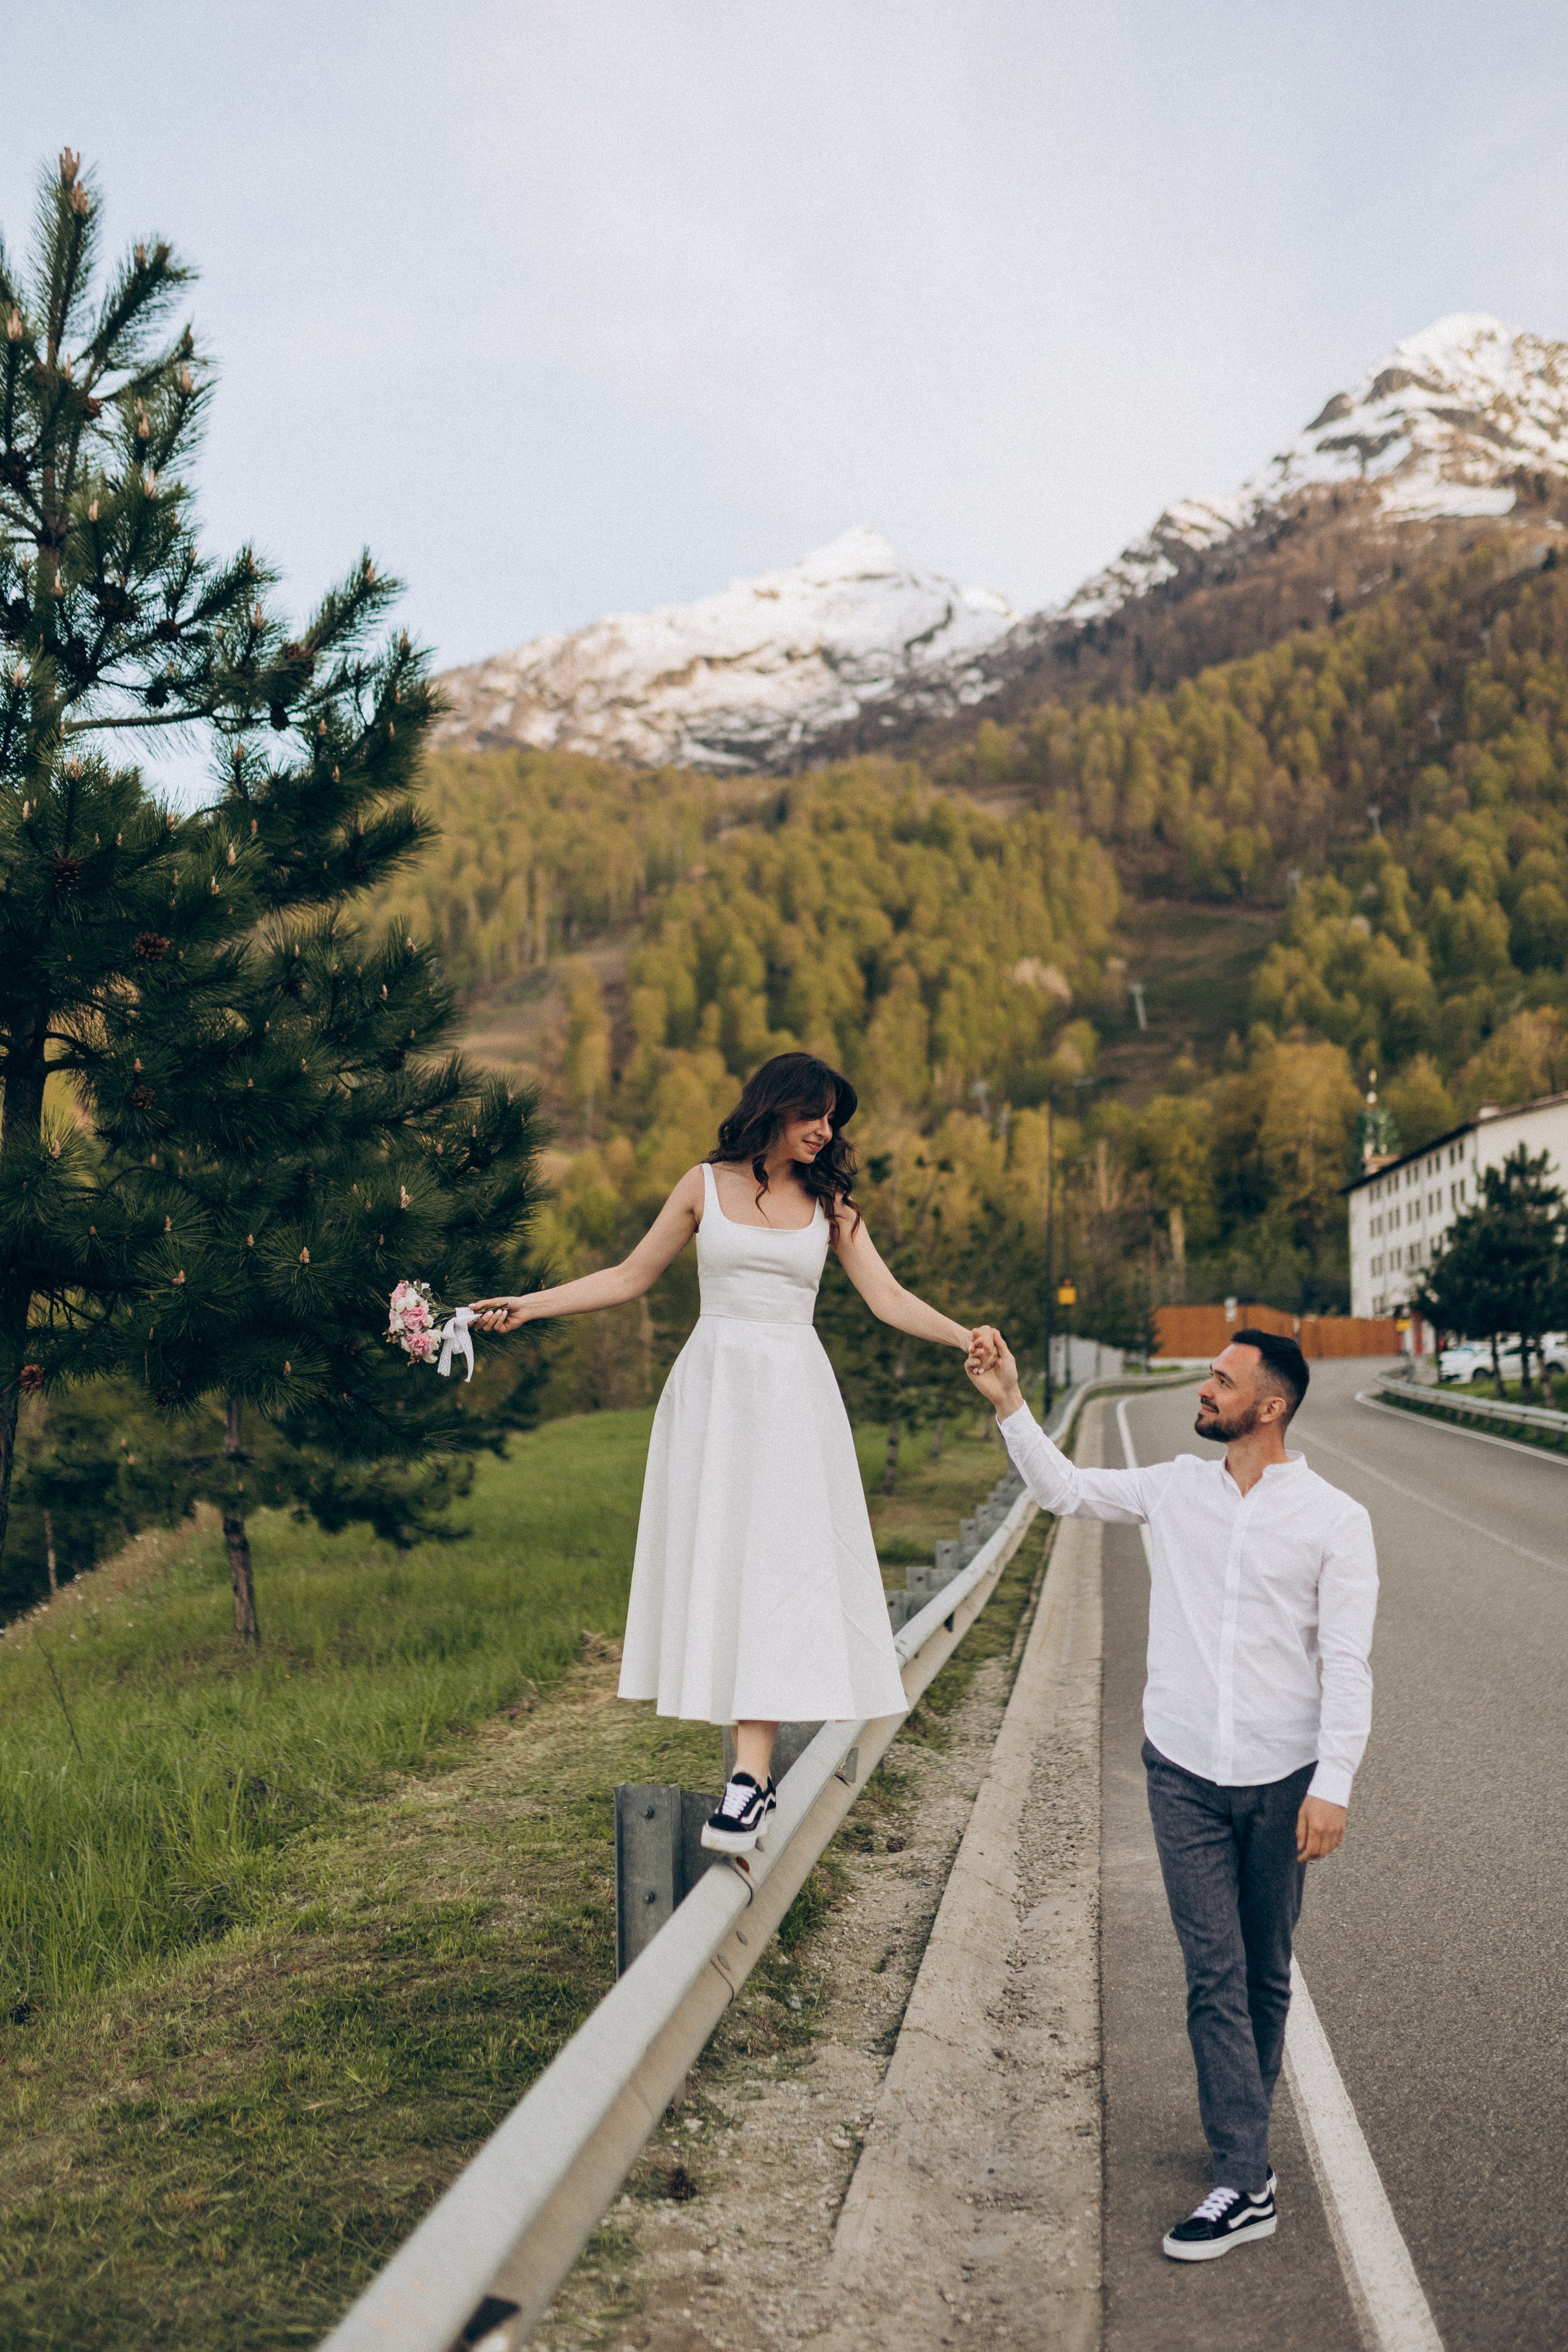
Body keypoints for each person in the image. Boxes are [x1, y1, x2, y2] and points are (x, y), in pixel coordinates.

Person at [472, 1052, 984, 1855]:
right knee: (728, 1564)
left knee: (778, 1570)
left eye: (834, 1120)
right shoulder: (703, 1185)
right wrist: (527, 1308)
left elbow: (886, 1298)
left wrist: (964, 1336)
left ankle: (749, 1780)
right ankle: (748, 1775)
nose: (826, 1131)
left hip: (794, 1401)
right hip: (715, 1396)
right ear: (774, 1108)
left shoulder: (833, 1206)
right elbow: (630, 1276)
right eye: (815, 1114)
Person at [963, 1324, 1378, 2262]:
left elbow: (1348, 1666)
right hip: (1183, 1771)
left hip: (1283, 1780)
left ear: (1268, 1408)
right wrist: (1009, 1403)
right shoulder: (1176, 1488)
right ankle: (1245, 2176)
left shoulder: (1334, 1520)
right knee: (1215, 1972)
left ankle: (1240, 2133)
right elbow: (1064, 1491)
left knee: (1266, 1968)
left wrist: (1335, 1785)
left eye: (1221, 1381)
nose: (1204, 1389)